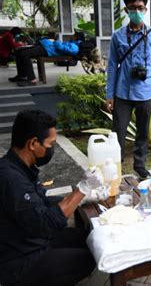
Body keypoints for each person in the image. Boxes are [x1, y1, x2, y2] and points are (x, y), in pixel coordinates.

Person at [0, 109, 100, 285]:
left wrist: (78, 198)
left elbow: (42, 202)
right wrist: (82, 190)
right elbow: (45, 224)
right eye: (50, 144)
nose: (52, 149)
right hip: (16, 258)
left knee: (89, 238)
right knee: (86, 260)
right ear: (33, 143)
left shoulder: (18, 166)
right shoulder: (12, 180)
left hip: (28, 237)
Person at [106, 0, 151, 180]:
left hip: (146, 93)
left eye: (140, 7)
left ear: (146, 9)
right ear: (126, 10)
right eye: (132, 8)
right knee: (118, 133)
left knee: (142, 132)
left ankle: (139, 165)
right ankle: (115, 167)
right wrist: (110, 95)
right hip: (122, 93)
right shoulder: (118, 36)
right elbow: (111, 67)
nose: (136, 11)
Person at [8, 32, 84, 87]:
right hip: (47, 47)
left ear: (77, 37)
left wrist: (56, 42)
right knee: (19, 52)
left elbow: (63, 49)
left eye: (74, 35)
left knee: (24, 54)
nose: (72, 36)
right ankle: (21, 76)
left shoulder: (75, 46)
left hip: (48, 51)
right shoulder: (72, 43)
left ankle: (32, 79)